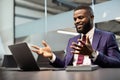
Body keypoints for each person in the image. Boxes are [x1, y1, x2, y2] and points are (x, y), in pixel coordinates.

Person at [32, 5, 120, 68]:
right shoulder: (72, 40)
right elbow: (65, 65)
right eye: (75, 19)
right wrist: (51, 56)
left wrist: (93, 54)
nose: (77, 21)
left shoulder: (107, 37)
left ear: (92, 17)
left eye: (80, 17)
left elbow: (117, 63)